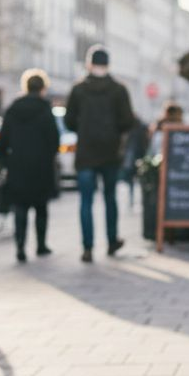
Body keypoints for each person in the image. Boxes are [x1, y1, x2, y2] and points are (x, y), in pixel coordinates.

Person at [64, 45, 135, 262]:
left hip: (86, 152)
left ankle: (87, 247)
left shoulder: (78, 89)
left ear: (89, 64)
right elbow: (127, 121)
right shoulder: (118, 89)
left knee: (86, 201)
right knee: (110, 197)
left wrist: (84, 129)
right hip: (110, 152)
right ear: (108, 65)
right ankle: (112, 241)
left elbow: (69, 121)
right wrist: (113, 132)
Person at [0, 69, 60, 262]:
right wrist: (49, 156)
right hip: (41, 165)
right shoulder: (45, 109)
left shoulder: (13, 109)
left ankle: (20, 247)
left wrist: (4, 162)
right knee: (41, 207)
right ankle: (41, 245)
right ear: (42, 88)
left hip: (18, 165)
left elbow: (2, 140)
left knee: (20, 207)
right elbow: (54, 139)